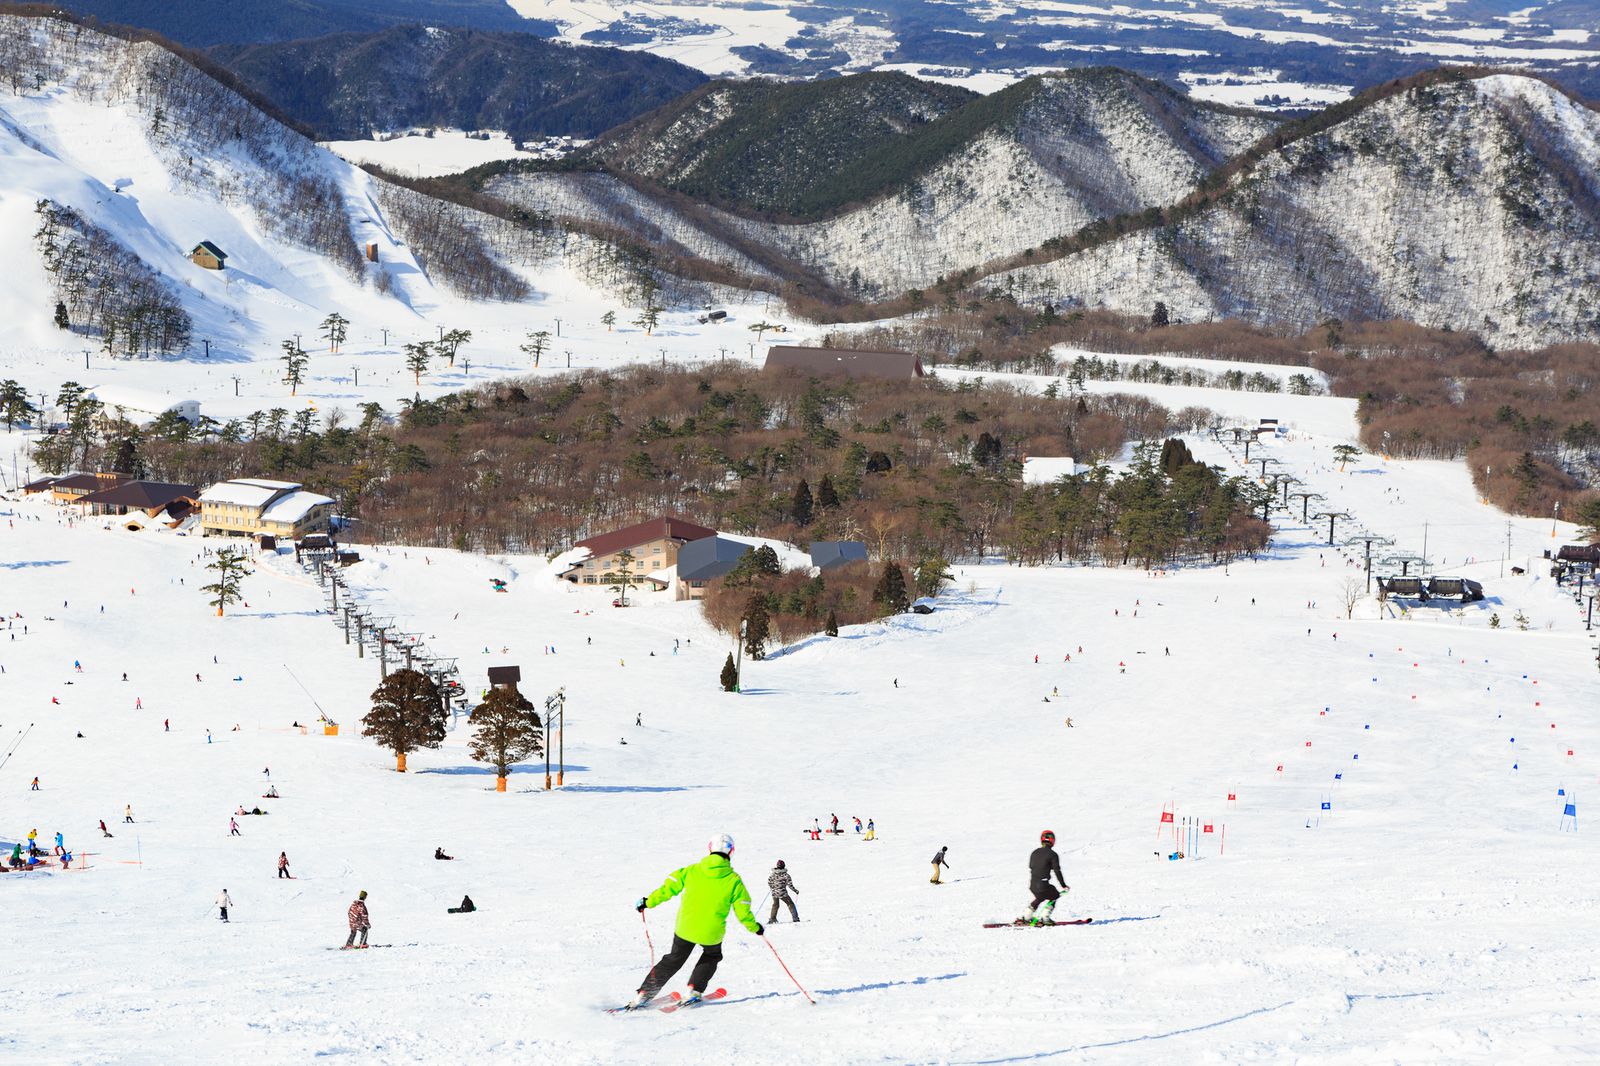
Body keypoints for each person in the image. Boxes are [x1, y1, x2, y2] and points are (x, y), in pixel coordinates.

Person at [626, 833, 762, 1009]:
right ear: (731, 852)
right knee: (712, 955)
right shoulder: (734, 880)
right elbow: (743, 909)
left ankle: (645, 993)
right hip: (711, 932)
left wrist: (647, 902)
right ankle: (694, 990)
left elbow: (668, 889)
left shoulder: (691, 870)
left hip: (685, 928)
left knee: (673, 959)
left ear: (710, 849)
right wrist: (755, 928)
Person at [1023, 830, 1069, 925]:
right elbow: (1057, 871)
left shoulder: (1034, 852)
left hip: (1033, 885)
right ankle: (1045, 918)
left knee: (1040, 897)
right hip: (1043, 885)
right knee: (1055, 895)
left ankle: (1026, 917)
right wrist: (1063, 885)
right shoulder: (1052, 854)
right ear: (1052, 841)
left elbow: (1031, 866)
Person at [767, 859, 799, 924]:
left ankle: (772, 919)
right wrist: (795, 891)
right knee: (790, 904)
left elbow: (769, 882)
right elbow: (790, 885)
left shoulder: (773, 874)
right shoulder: (786, 875)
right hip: (783, 893)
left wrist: (773, 888)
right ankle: (795, 918)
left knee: (775, 905)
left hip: (774, 893)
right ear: (784, 866)